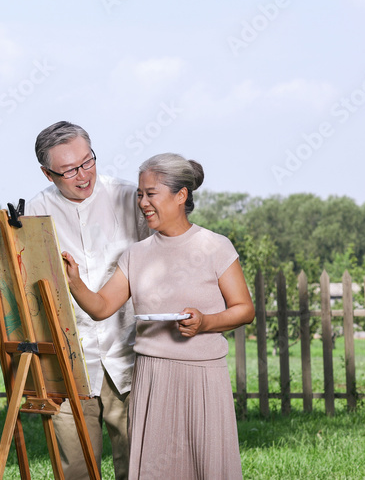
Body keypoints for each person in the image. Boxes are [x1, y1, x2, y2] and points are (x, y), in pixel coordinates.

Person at [61, 153, 255, 480]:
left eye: (151, 193)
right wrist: (75, 283)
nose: (142, 202)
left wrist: (206, 322)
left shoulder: (214, 246)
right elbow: (100, 307)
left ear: (181, 196)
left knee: (205, 465)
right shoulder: (136, 254)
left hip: (202, 376)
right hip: (152, 375)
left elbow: (244, 309)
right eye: (140, 194)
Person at [27, 121, 148, 480]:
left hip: (128, 353)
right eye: (68, 171)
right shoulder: (33, 215)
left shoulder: (131, 199)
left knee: (139, 464)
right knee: (76, 469)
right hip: (67, 361)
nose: (83, 176)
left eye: (87, 162)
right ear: (48, 174)